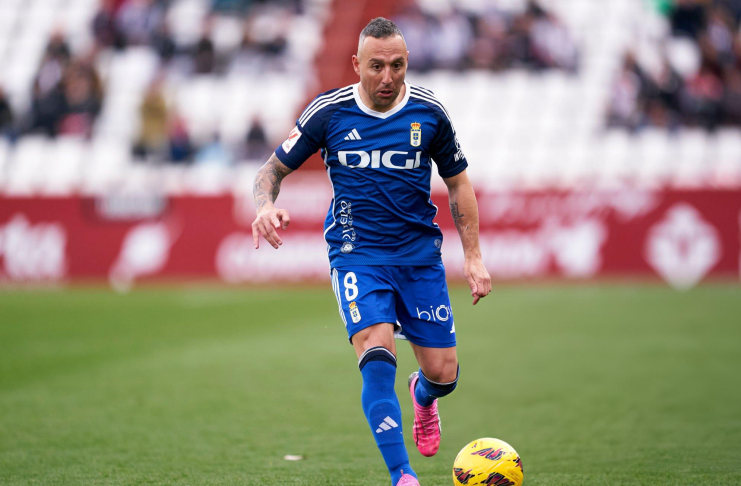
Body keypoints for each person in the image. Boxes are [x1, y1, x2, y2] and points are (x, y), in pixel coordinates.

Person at [251, 17, 491, 486]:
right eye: (377, 66)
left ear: (407, 63)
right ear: (356, 64)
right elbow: (269, 173)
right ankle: (402, 475)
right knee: (375, 350)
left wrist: (474, 256)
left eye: (397, 66)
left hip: (419, 256)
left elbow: (459, 183)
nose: (387, 77)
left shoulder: (430, 114)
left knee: (445, 374)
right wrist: (264, 206)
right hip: (356, 252)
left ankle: (423, 397)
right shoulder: (328, 112)